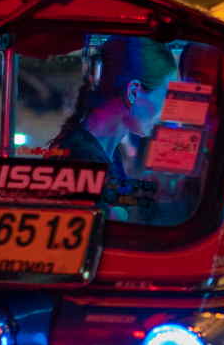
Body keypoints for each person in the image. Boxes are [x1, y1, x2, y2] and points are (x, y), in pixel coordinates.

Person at [49, 37, 177, 217]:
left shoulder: (104, 150)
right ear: (133, 92)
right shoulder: (81, 159)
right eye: (165, 96)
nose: (165, 111)